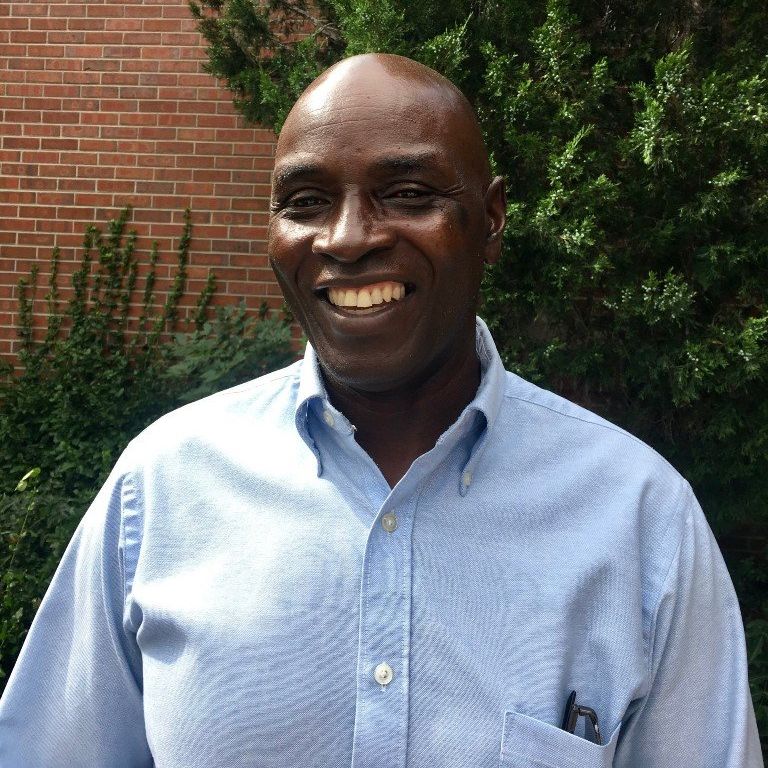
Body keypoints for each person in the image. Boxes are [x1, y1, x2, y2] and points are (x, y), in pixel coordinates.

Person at [0, 53, 762, 767]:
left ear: (492, 219)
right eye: (306, 202)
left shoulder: (638, 515)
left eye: (408, 194)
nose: (347, 239)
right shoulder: (164, 488)